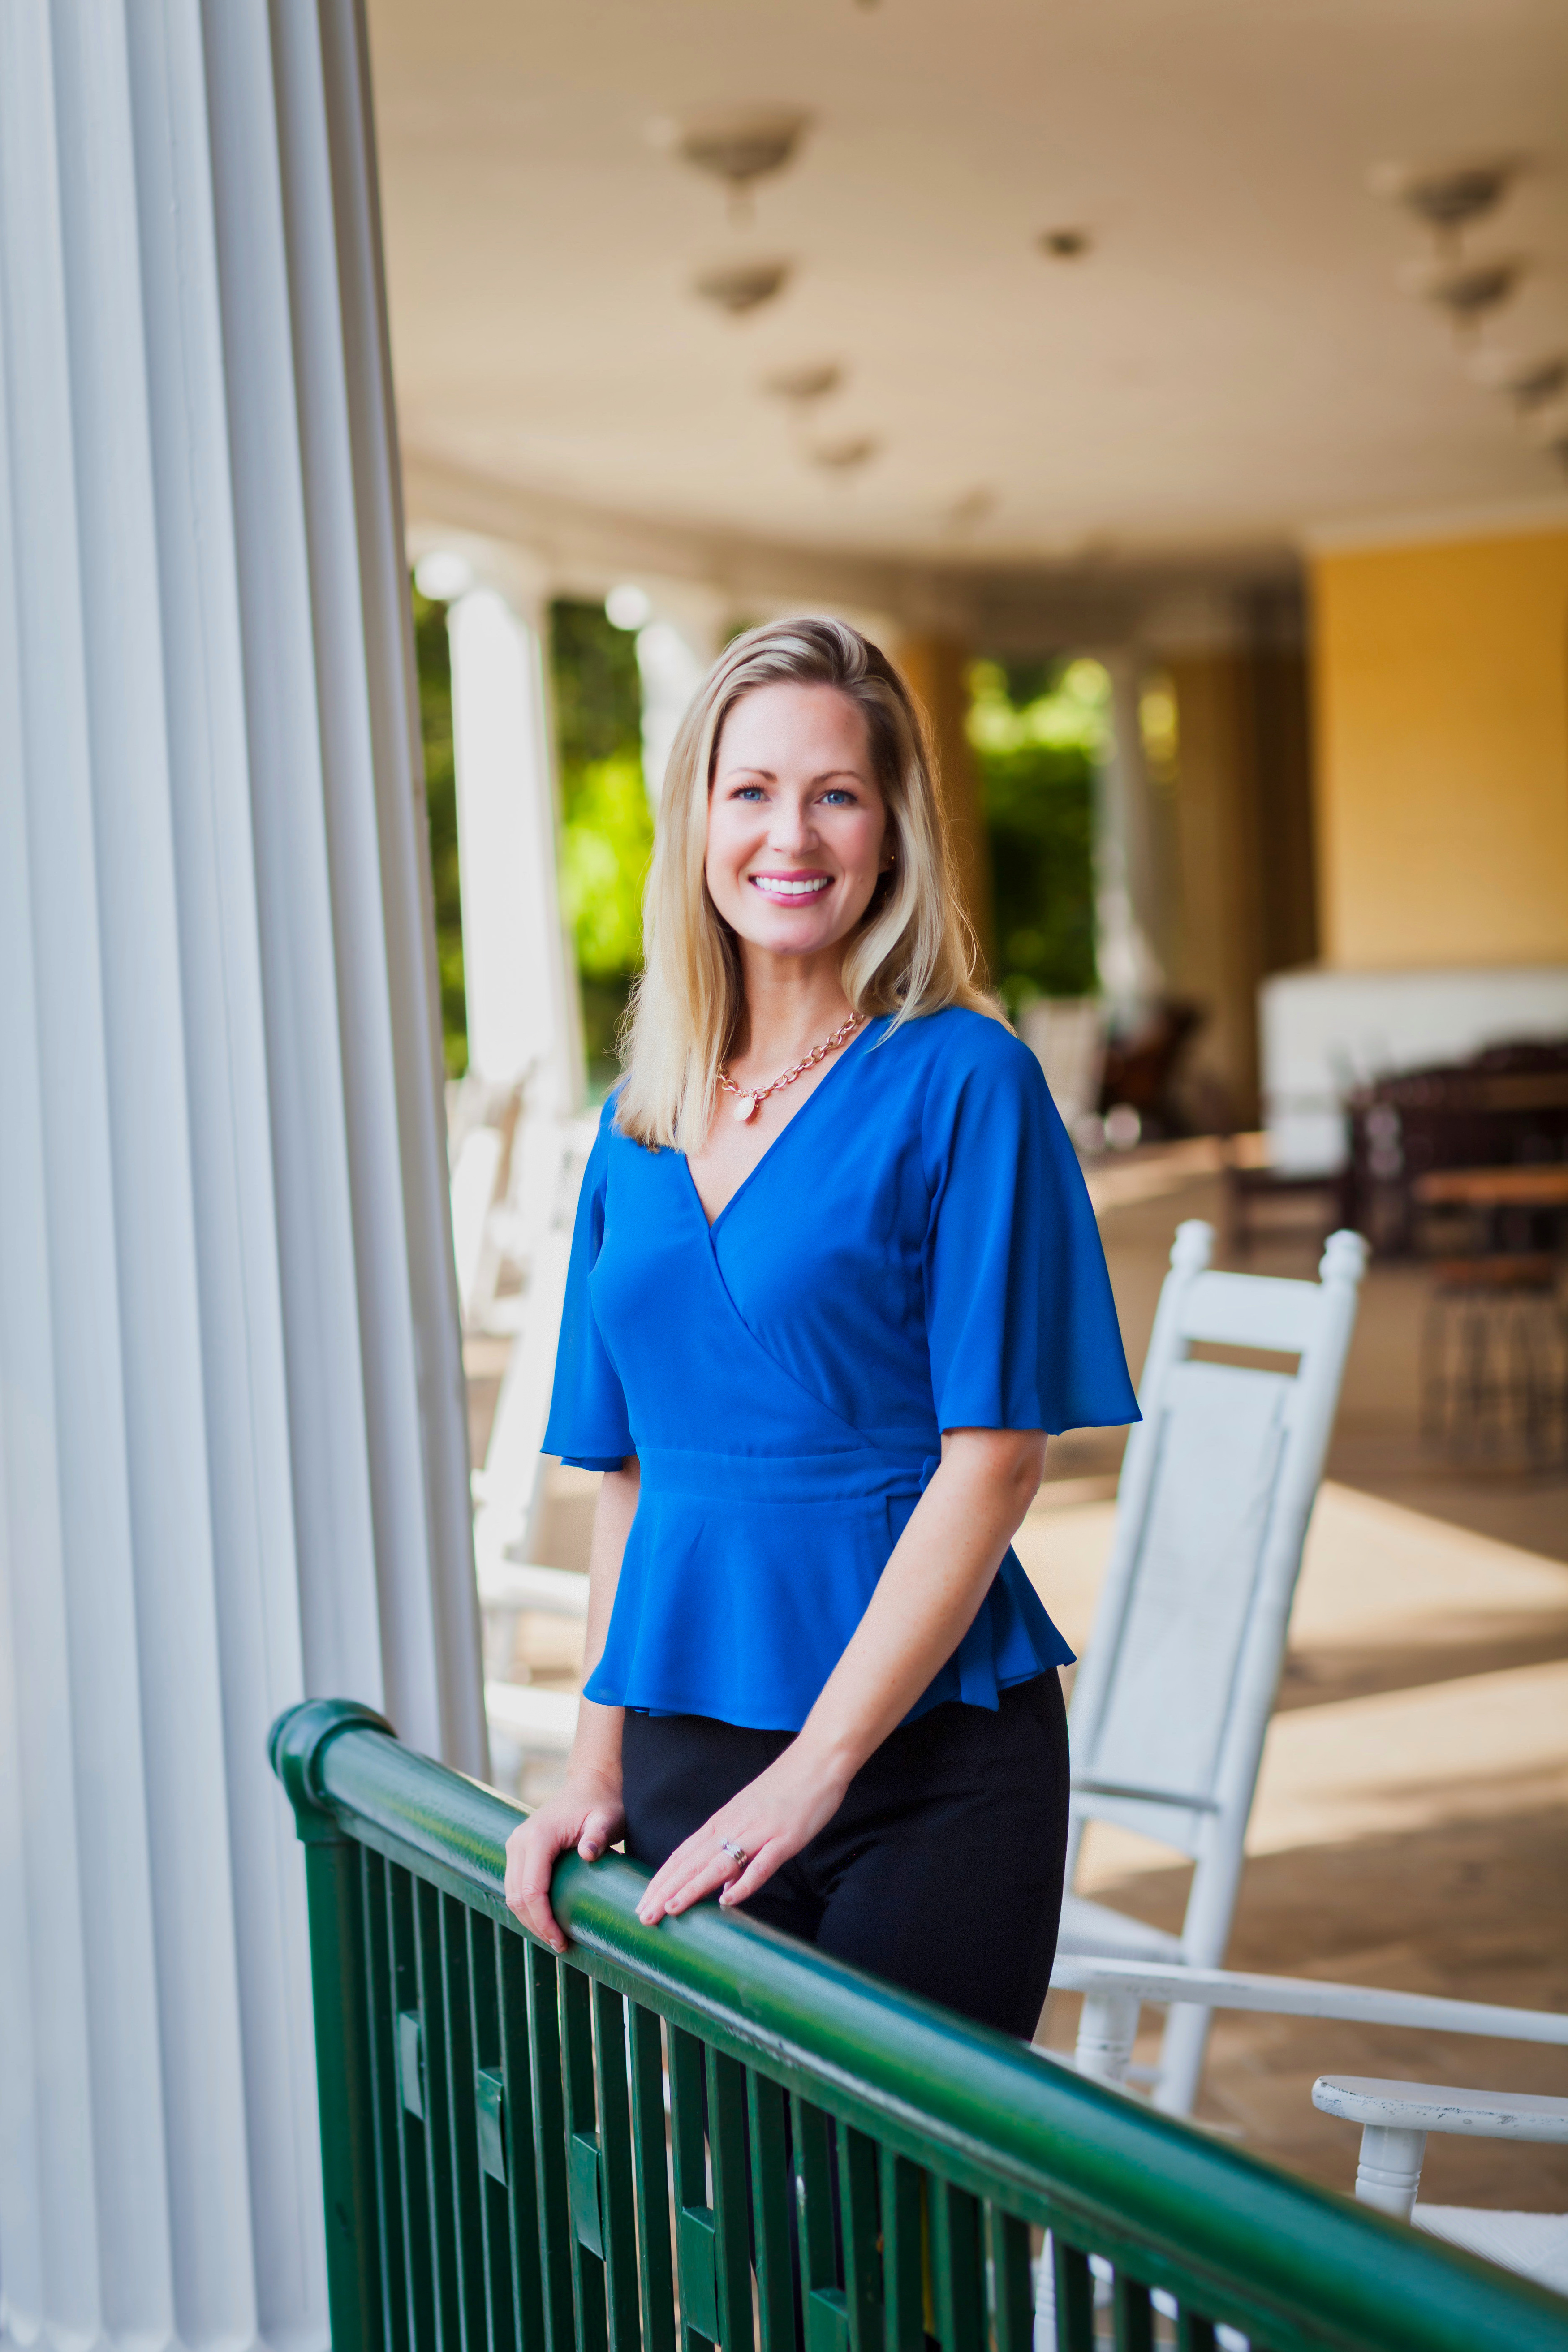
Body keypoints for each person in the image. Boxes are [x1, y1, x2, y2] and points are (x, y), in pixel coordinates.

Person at [504, 616, 1137, 2039]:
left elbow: (996, 1461)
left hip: (926, 1765)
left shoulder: (968, 1080)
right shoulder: (636, 1119)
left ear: (892, 829)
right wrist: (588, 1765)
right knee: (743, 2225)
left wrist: (816, 1767)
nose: (791, 833)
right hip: (681, 1741)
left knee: (890, 2236)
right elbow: (631, 1475)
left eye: (836, 792)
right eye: (752, 790)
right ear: (698, 821)